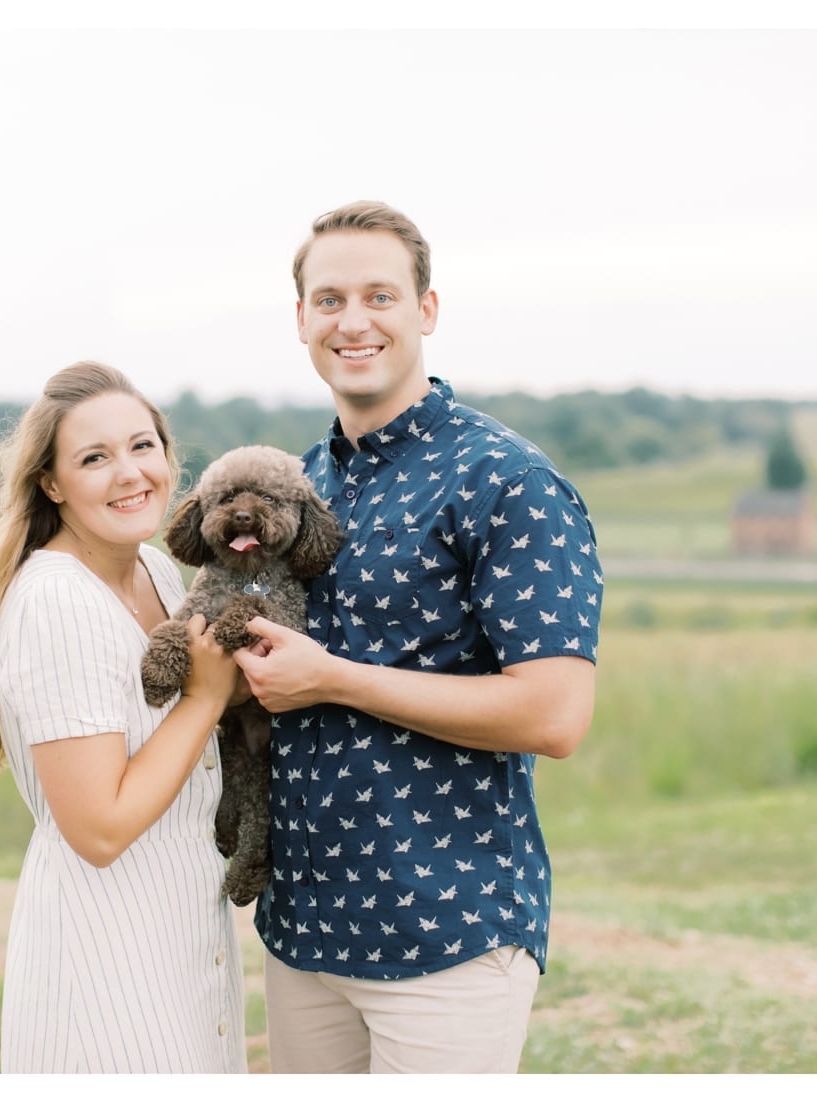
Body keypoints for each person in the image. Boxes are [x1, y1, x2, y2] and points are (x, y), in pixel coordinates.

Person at [233, 201, 604, 1074]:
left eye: (379, 296)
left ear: (425, 311)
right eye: (328, 300)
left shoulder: (508, 481)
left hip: (447, 929)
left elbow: (555, 717)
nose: (352, 321)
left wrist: (334, 679)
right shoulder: (297, 484)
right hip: (305, 930)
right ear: (300, 321)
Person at [0, 361, 248, 1074]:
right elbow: (99, 828)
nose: (130, 473)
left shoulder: (157, 572)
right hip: (106, 975)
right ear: (52, 484)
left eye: (143, 446)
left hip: (182, 952)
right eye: (94, 458)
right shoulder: (59, 601)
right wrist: (204, 698)